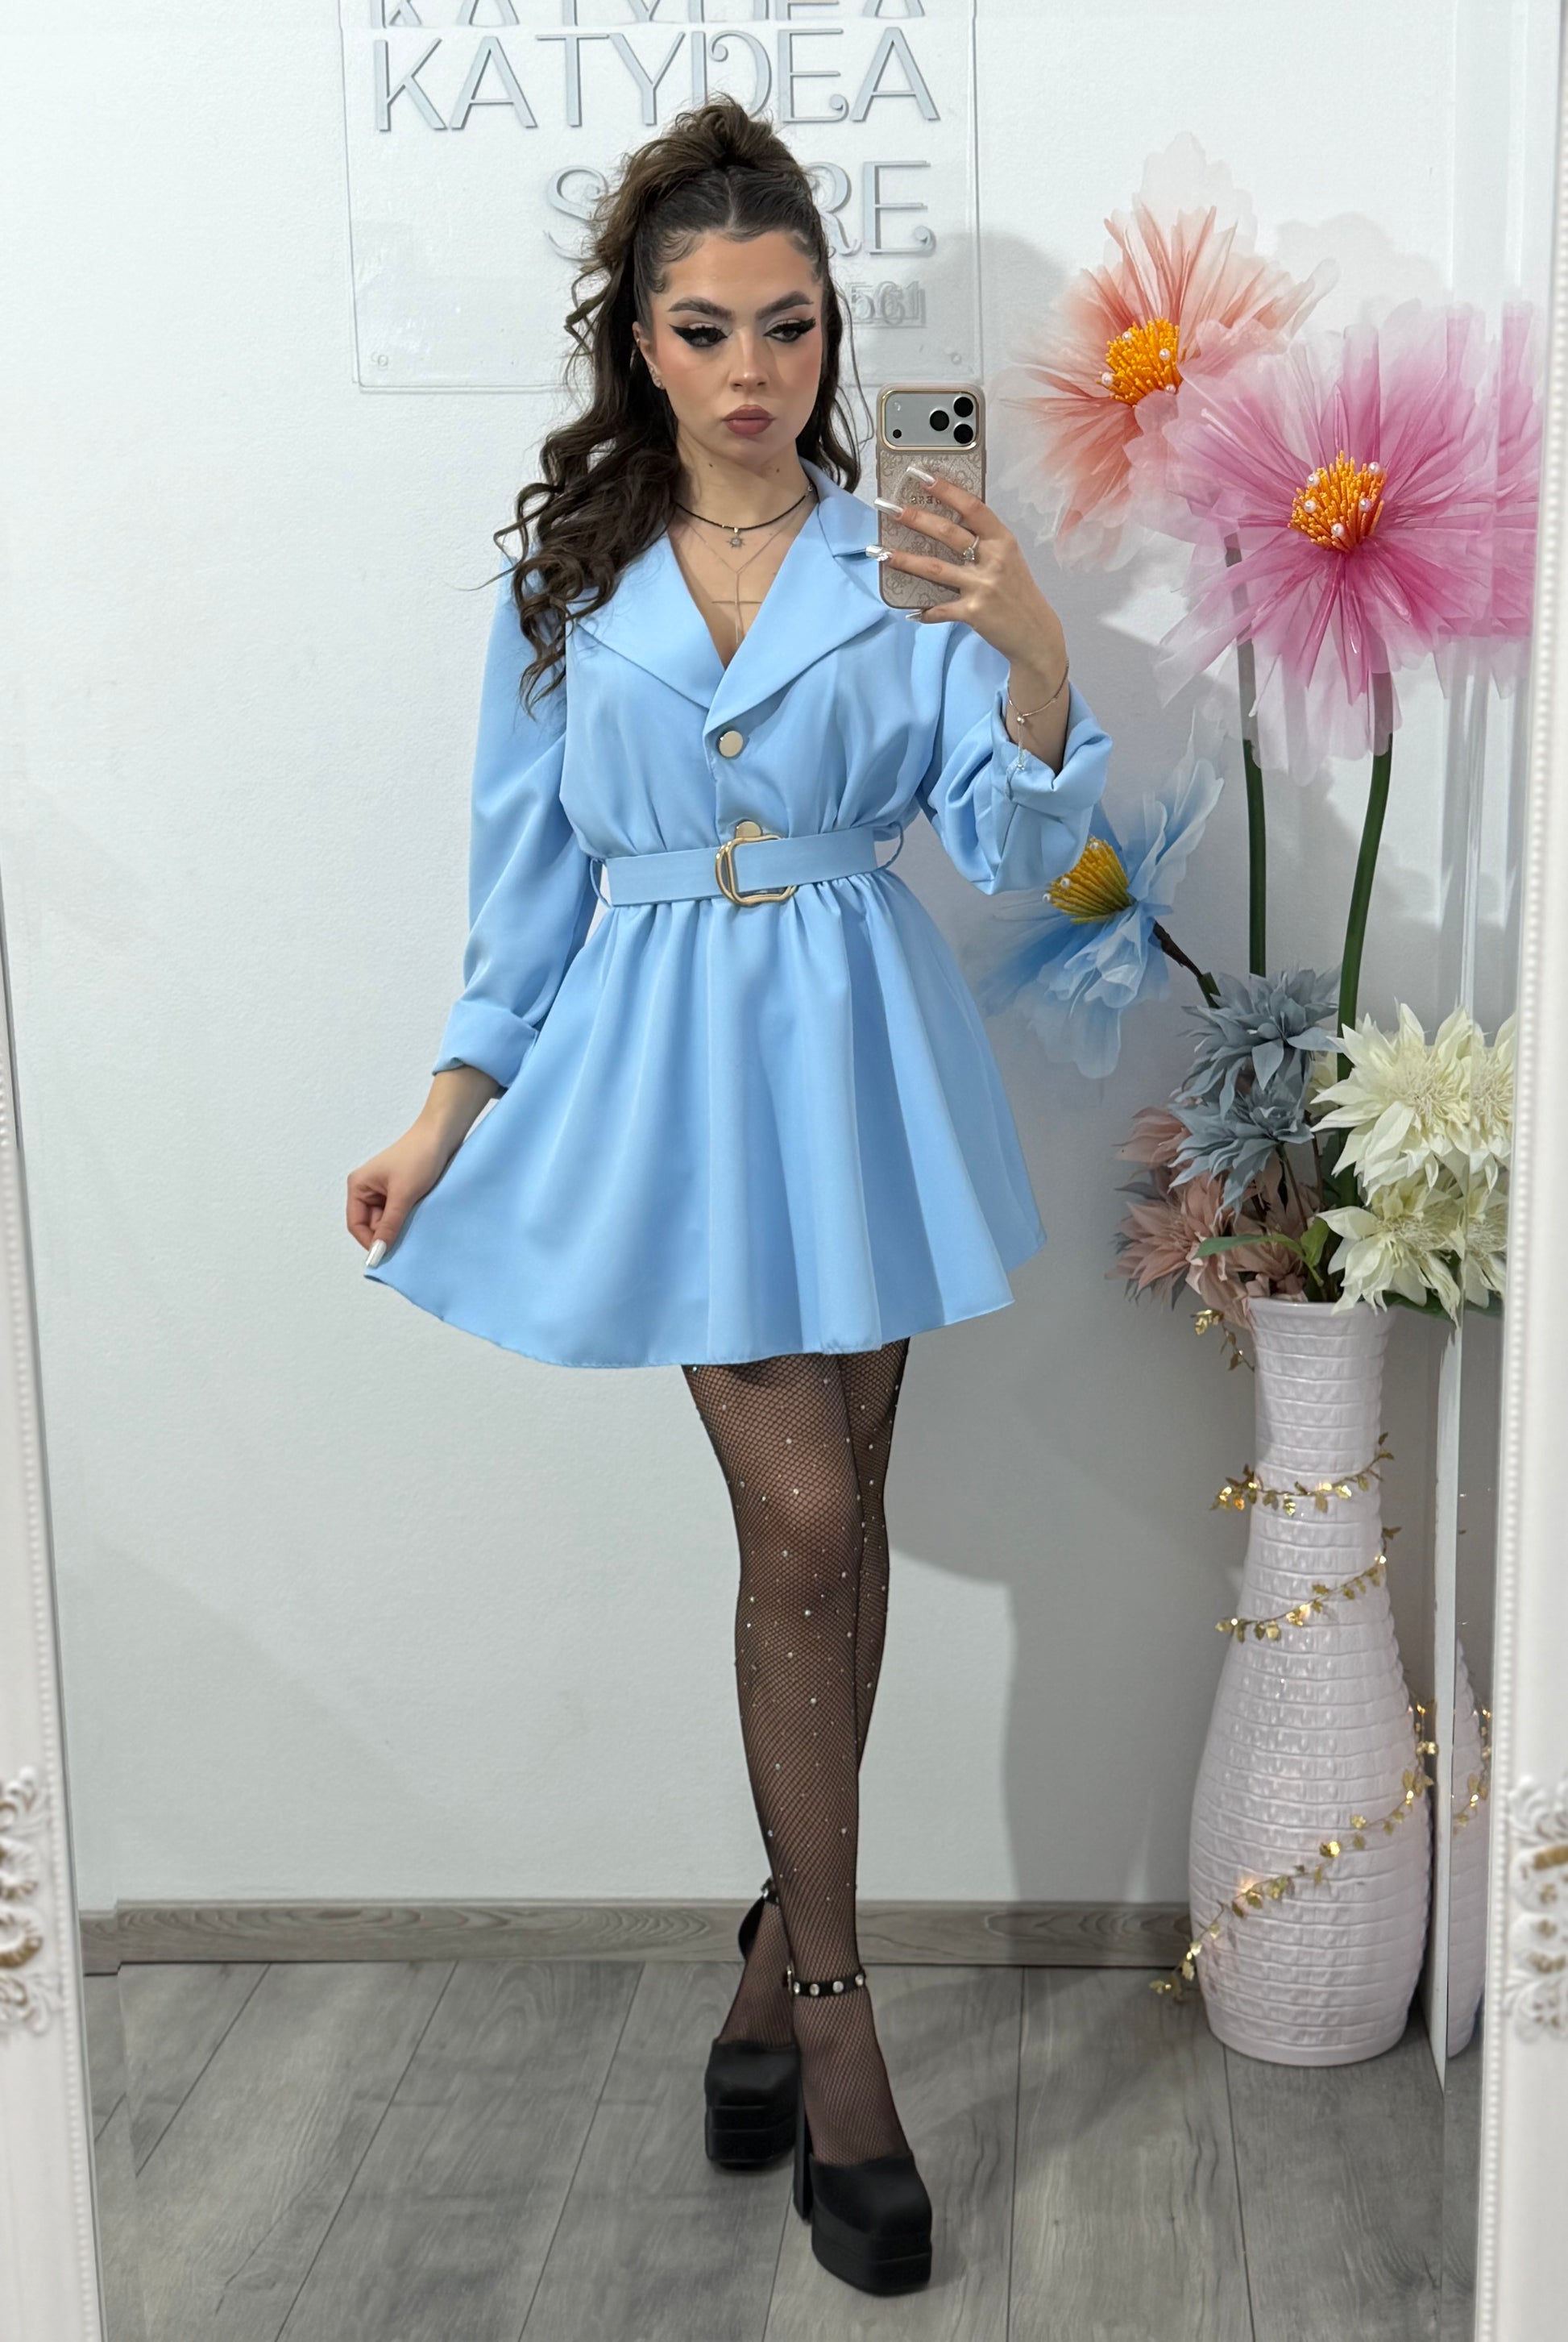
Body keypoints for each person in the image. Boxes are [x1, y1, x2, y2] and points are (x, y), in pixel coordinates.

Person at [346, 96, 1110, 2298]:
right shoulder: (565, 589)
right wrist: (441, 1113)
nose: (753, 368)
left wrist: (1034, 644)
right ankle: (840, 2022)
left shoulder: (905, 558)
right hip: (674, 1083)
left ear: (828, 333)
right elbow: (520, 898)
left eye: (789, 324)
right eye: (706, 328)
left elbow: (1013, 845)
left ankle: (774, 1960)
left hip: (862, 1065)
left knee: (841, 1526)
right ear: (640, 341)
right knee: (802, 1527)